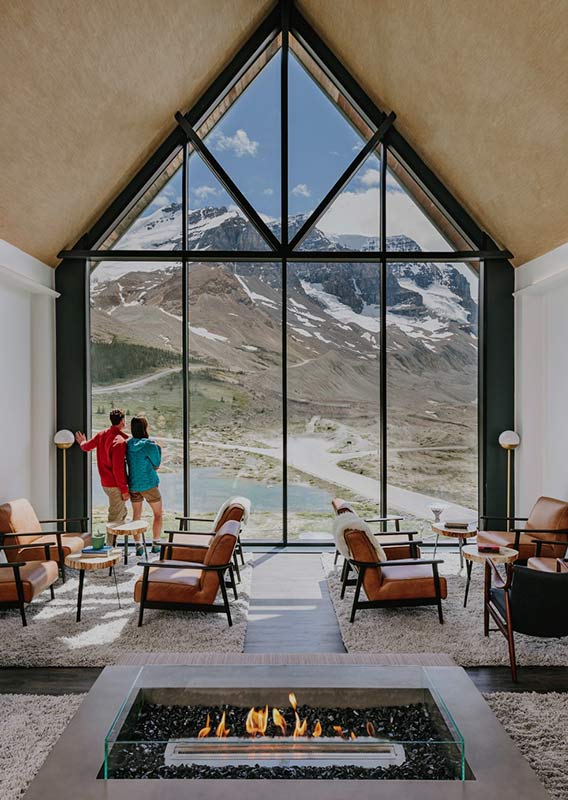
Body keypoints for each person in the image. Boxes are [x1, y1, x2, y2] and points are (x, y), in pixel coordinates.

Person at [75, 409, 144, 555]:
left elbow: (87, 446)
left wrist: (82, 443)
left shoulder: (102, 434)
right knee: (114, 517)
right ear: (122, 421)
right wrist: (124, 490)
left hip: (106, 484)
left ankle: (114, 544)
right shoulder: (119, 441)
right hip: (115, 485)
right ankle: (109, 549)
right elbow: (118, 469)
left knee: (121, 512)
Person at [126, 416, 163, 554]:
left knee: (136, 515)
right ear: (145, 428)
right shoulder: (149, 445)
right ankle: (156, 544)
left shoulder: (128, 444)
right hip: (149, 484)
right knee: (158, 514)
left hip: (134, 485)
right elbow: (156, 464)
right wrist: (158, 448)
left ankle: (138, 546)